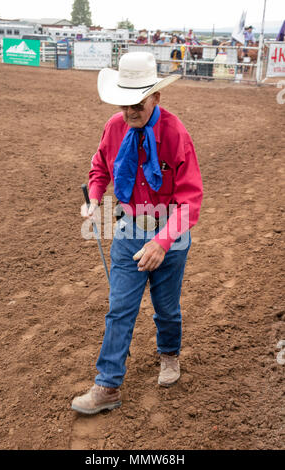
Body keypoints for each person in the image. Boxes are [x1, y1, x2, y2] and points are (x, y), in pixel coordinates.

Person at [71, 52, 203, 415]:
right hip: (129, 227)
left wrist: (162, 242)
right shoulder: (114, 127)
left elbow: (190, 200)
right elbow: (100, 167)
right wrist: (94, 198)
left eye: (137, 104)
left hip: (170, 230)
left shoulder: (175, 133)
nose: (130, 111)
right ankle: (108, 386)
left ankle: (169, 356)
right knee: (119, 310)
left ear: (156, 98)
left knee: (166, 310)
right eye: (124, 103)